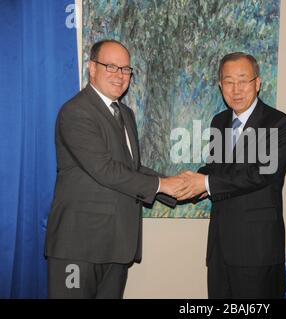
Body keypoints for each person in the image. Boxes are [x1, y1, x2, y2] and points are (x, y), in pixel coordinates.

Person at [45, 39, 182, 298]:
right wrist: (163, 186)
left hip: (116, 245)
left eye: (126, 69)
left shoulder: (125, 114)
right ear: (91, 68)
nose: (120, 75)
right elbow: (104, 169)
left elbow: (131, 167)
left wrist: (176, 186)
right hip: (79, 246)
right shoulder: (76, 111)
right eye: (111, 66)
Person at [176, 52, 286, 298]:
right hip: (220, 247)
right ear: (221, 86)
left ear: (257, 83)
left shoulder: (278, 123)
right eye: (229, 81)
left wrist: (205, 182)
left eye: (243, 80)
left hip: (256, 249)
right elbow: (215, 169)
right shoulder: (219, 121)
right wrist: (183, 185)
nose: (236, 89)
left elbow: (261, 173)